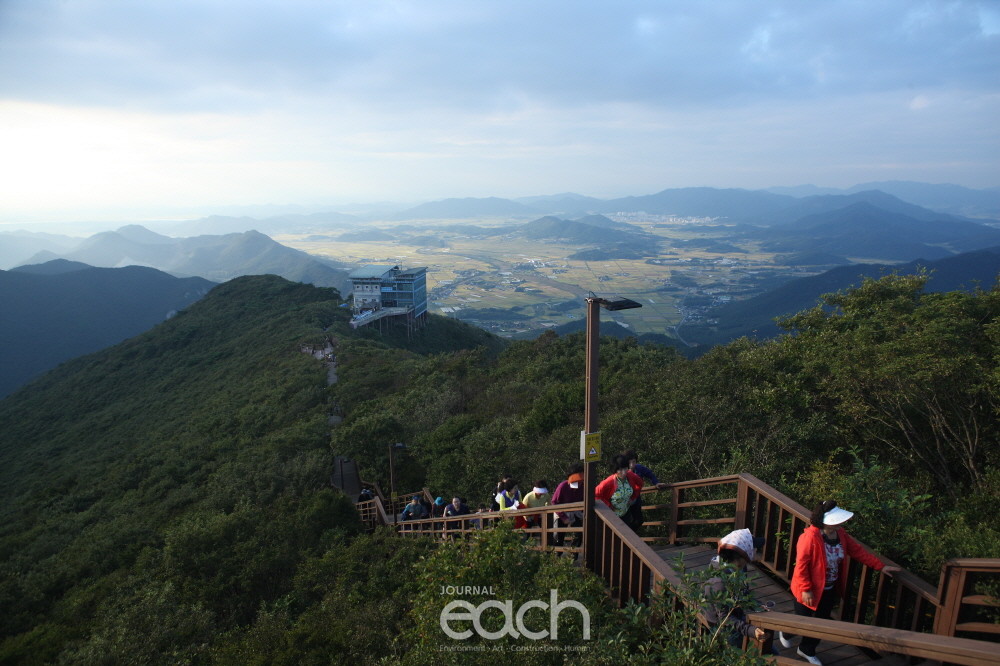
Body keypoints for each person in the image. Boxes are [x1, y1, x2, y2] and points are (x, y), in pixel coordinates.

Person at [781, 501, 901, 665]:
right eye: (837, 521)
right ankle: (787, 632)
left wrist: (880, 566)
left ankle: (807, 649)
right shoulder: (809, 538)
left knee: (821, 622)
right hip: (807, 588)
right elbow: (801, 566)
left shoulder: (840, 534)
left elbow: (858, 551)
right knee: (804, 621)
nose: (841, 523)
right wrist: (806, 589)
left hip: (828, 588)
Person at [702, 529, 772, 650]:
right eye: (754, 547)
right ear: (743, 553)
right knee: (758, 652)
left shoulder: (741, 567)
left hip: (736, 615)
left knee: (767, 648)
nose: (756, 550)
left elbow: (742, 593)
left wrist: (756, 604)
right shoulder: (720, 581)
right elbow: (724, 619)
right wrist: (750, 630)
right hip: (722, 626)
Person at [623, 449, 668, 533]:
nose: (632, 465)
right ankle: (625, 538)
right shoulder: (622, 472)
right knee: (626, 521)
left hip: (636, 498)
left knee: (639, 520)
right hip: (625, 500)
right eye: (630, 462)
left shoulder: (639, 468)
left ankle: (627, 535)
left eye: (634, 462)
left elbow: (650, 474)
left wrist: (656, 483)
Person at [595, 454, 645, 531]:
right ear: (615, 470)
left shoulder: (630, 475)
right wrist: (608, 505)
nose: (624, 472)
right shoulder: (608, 482)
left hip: (625, 513)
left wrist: (633, 498)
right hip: (612, 516)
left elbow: (640, 483)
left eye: (625, 468)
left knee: (627, 535)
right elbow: (596, 494)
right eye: (620, 470)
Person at [551, 463, 585, 548]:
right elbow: (554, 502)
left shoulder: (583, 486)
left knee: (579, 535)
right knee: (559, 538)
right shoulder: (563, 486)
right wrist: (563, 517)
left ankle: (573, 556)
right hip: (561, 512)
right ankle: (556, 557)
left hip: (575, 512)